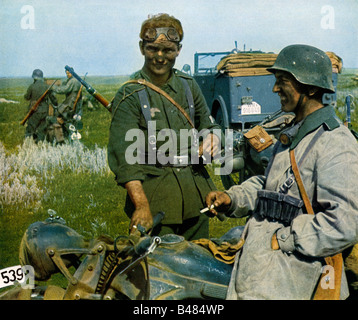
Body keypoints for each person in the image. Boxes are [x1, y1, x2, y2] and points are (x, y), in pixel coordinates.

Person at [205, 44, 358, 300]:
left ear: (309, 88)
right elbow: (273, 185)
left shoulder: (336, 143)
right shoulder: (295, 131)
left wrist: (285, 239)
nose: (275, 89)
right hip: (266, 270)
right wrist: (234, 198)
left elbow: (345, 222)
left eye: (283, 81)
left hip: (297, 277)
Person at [108, 13, 221, 240]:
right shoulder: (129, 94)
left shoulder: (189, 86)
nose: (160, 57)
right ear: (142, 48)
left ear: (178, 50)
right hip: (155, 202)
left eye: (168, 50)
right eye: (152, 49)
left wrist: (213, 139)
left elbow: (210, 125)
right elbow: (125, 158)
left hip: (196, 197)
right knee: (159, 271)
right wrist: (141, 205)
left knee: (201, 266)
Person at [24, 69, 58, 142]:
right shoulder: (47, 87)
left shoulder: (32, 86)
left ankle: (28, 146)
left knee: (30, 129)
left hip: (34, 111)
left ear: (34, 77)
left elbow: (27, 97)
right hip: (44, 111)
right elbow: (53, 99)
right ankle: (40, 145)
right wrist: (56, 106)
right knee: (41, 130)